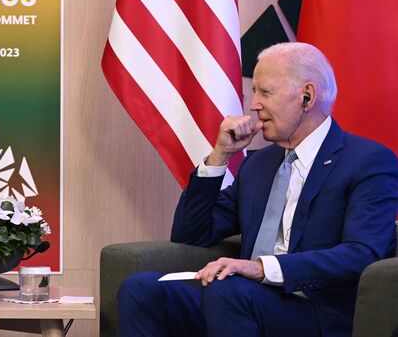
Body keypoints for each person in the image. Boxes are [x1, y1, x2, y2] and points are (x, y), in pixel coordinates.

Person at [117, 42, 398, 337]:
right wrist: (219, 158)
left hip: (315, 310)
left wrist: (263, 268)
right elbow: (190, 234)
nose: (253, 104)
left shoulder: (367, 161)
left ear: (307, 96)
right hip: (238, 300)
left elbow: (362, 253)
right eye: (254, 92)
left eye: (265, 91)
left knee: (228, 293)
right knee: (142, 288)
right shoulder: (258, 165)